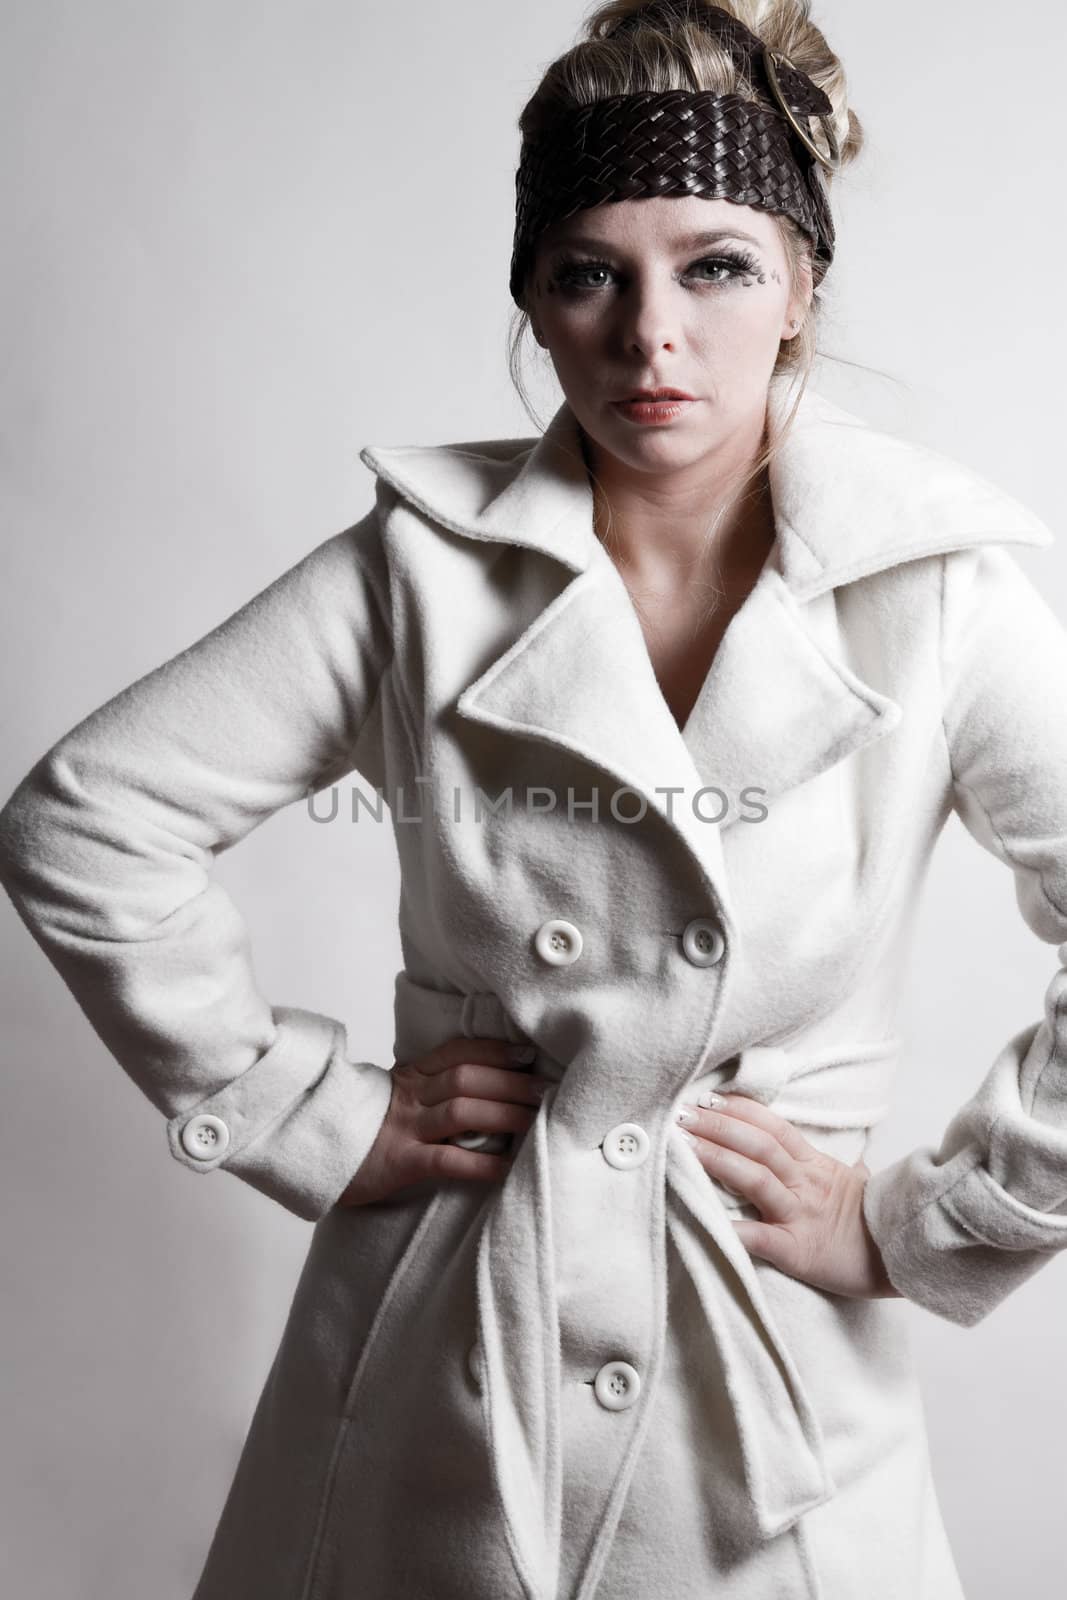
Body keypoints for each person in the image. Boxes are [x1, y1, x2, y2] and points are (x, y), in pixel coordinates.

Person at [2, 1, 1066, 1596]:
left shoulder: (941, 592)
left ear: (800, 288)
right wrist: (308, 1110)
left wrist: (929, 1224)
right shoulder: (415, 572)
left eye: (715, 265)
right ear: (533, 300)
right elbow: (80, 821)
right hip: (446, 1355)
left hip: (767, 1397)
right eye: (592, 272)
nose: (653, 335)